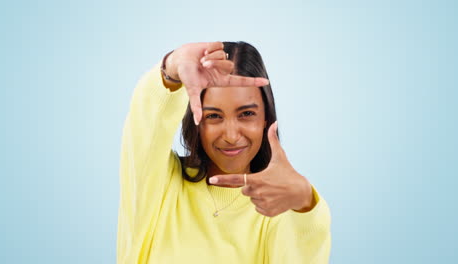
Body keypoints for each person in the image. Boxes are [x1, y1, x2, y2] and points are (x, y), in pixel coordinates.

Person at [117, 41, 331, 263]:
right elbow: (146, 125)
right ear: (197, 120)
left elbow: (304, 249)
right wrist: (172, 67)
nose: (230, 135)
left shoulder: (276, 209)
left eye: (246, 113)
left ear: (266, 118)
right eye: (214, 116)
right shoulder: (158, 184)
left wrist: (306, 203)